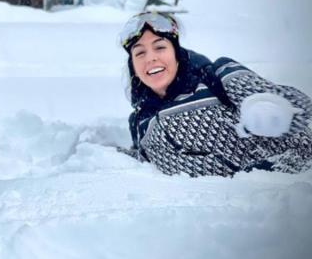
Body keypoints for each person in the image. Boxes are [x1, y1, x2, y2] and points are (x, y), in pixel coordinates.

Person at [119, 12, 312, 177]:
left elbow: (301, 108)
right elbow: (140, 164)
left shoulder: (219, 76)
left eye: (160, 47)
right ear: (133, 66)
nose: (151, 58)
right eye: (140, 53)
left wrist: (269, 108)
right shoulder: (139, 122)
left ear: (176, 53)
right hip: (231, 209)